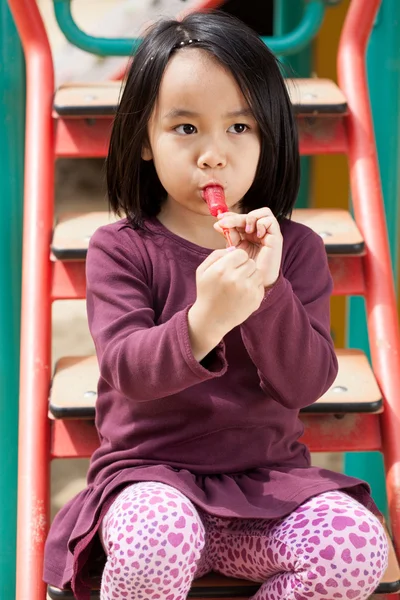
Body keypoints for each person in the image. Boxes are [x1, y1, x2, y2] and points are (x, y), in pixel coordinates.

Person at [44, 10, 389, 600]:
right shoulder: (120, 250)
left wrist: (267, 291)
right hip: (151, 483)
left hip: (264, 492)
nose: (213, 154)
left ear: (269, 137)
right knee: (160, 535)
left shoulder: (296, 248)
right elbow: (127, 370)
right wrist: (206, 319)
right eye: (185, 129)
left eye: (240, 128)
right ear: (145, 141)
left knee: (356, 544)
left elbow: (306, 382)